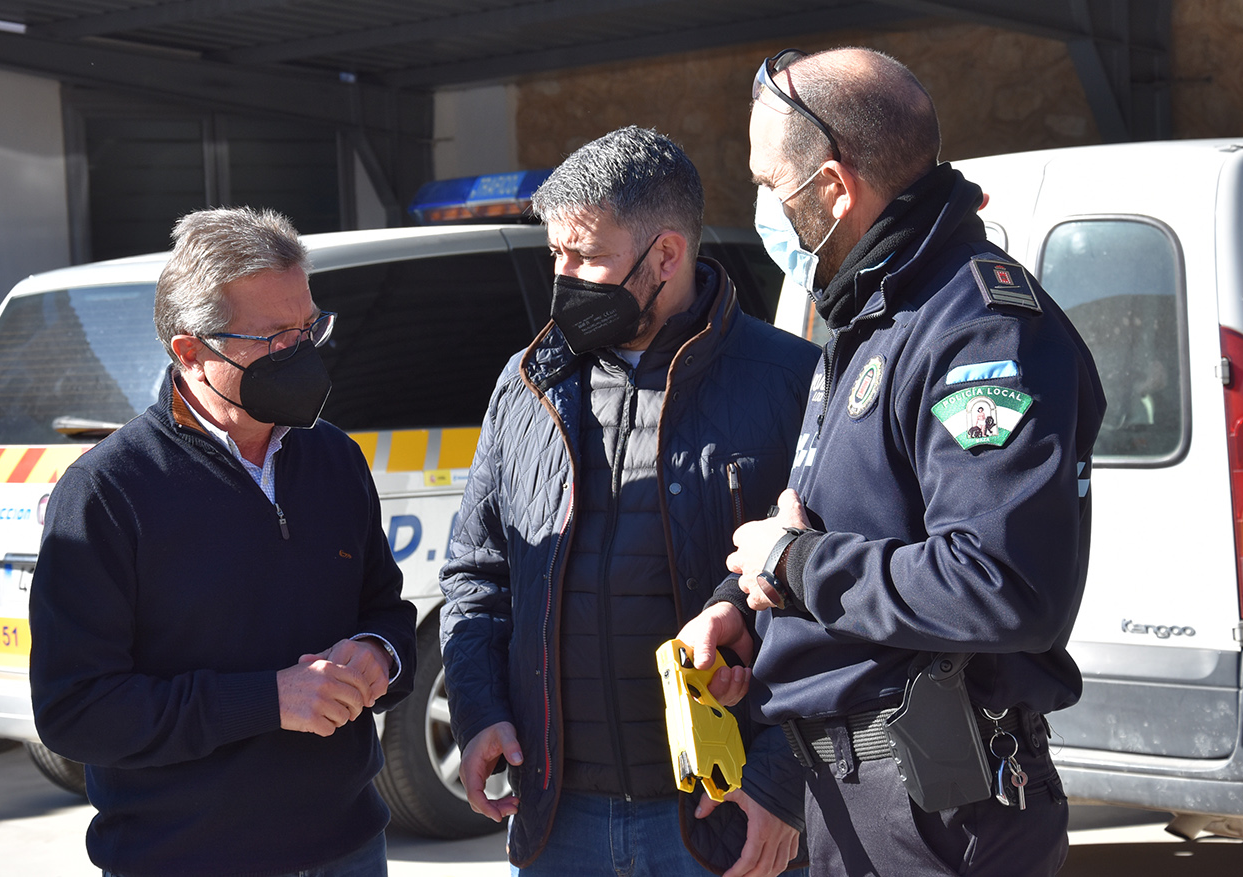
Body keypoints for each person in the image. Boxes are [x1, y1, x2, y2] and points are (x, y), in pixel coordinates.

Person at [681, 47, 1105, 876]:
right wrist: (747, 600)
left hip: (940, 809)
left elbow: (1000, 582)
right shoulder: (873, 314)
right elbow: (842, 518)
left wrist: (797, 566)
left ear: (835, 188)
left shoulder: (980, 329)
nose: (764, 205)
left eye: (771, 184)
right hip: (855, 793)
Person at [439, 126, 819, 877]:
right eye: (556, 254)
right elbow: (476, 574)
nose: (564, 278)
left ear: (666, 256)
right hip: (558, 822)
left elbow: (831, 609)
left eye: (586, 256)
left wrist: (782, 784)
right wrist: (479, 710)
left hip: (722, 817)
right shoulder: (528, 383)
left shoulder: (793, 382)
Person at [29, 207, 417, 877]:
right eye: (272, 338)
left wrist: (378, 654)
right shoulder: (108, 490)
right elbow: (77, 711)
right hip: (186, 859)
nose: (300, 353)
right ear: (190, 351)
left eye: (308, 328)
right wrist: (269, 700)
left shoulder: (335, 459)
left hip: (349, 849)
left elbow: (387, 611)